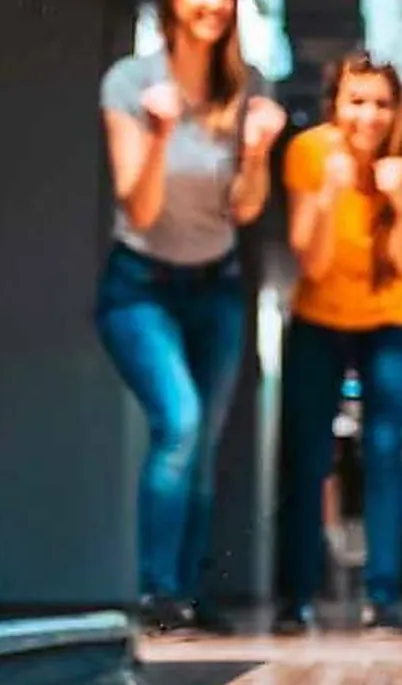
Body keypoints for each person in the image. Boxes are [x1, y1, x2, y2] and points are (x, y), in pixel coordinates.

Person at [96, 0, 286, 635]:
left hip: (217, 285)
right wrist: (158, 134)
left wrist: (257, 152)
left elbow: (246, 210)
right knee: (179, 423)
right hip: (140, 286)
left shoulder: (250, 86)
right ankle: (159, 594)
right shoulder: (130, 81)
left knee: (202, 446)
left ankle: (188, 595)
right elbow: (141, 211)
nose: (212, 4)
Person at [274, 51, 402, 634]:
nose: (369, 116)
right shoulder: (309, 152)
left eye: (382, 103)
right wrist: (328, 193)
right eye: (357, 101)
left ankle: (383, 599)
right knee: (307, 456)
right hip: (319, 318)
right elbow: (312, 262)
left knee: (384, 450)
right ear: (335, 105)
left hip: (393, 321)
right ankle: (296, 599)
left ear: (399, 109)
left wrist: (400, 199)